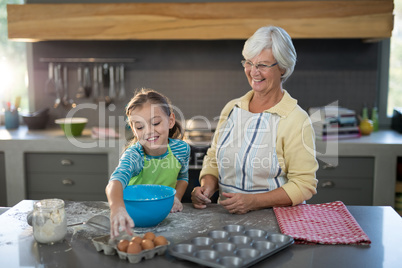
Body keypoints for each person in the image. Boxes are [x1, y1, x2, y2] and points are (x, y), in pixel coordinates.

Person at [191, 25, 318, 214]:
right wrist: (207, 186)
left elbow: (304, 185)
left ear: (283, 67)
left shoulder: (296, 119)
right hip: (225, 219)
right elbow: (213, 159)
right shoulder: (232, 109)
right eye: (249, 62)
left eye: (263, 65)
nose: (253, 72)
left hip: (276, 222)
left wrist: (254, 201)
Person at [106, 88, 190, 238]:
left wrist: (177, 198)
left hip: (165, 219)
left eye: (155, 123)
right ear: (133, 129)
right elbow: (115, 182)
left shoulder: (181, 149)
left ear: (170, 121)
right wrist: (117, 207)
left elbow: (182, 177)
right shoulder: (134, 155)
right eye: (140, 127)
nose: (149, 132)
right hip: (134, 220)